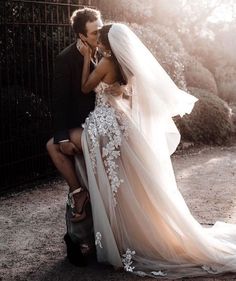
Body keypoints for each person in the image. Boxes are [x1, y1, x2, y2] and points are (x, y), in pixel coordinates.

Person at [77, 23, 236, 279]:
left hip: (106, 124)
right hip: (122, 124)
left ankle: (121, 239)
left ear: (108, 43)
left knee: (116, 182)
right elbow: (124, 95)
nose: (98, 42)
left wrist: (87, 59)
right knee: (127, 182)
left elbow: (86, 87)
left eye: (101, 39)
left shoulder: (106, 62)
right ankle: (129, 236)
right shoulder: (126, 66)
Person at [46, 7, 103, 266]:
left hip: (100, 126)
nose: (99, 36)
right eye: (94, 33)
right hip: (78, 127)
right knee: (55, 147)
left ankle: (90, 237)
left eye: (101, 29)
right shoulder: (65, 58)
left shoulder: (106, 53)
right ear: (81, 35)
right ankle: (78, 236)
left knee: (98, 185)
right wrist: (62, 136)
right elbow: (59, 102)